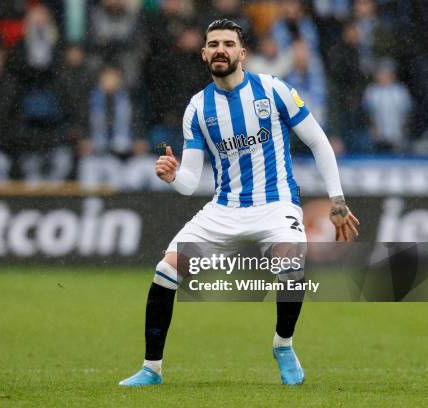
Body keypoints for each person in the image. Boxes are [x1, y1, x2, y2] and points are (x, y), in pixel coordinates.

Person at [119, 19, 359, 387]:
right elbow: (188, 183)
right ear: (203, 54)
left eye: (228, 44)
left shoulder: (273, 89)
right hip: (224, 208)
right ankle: (152, 369)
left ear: (242, 53)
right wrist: (172, 176)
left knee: (292, 262)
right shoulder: (198, 108)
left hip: (276, 203)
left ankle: (283, 344)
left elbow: (319, 142)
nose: (220, 50)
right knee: (165, 272)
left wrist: (337, 201)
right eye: (213, 43)